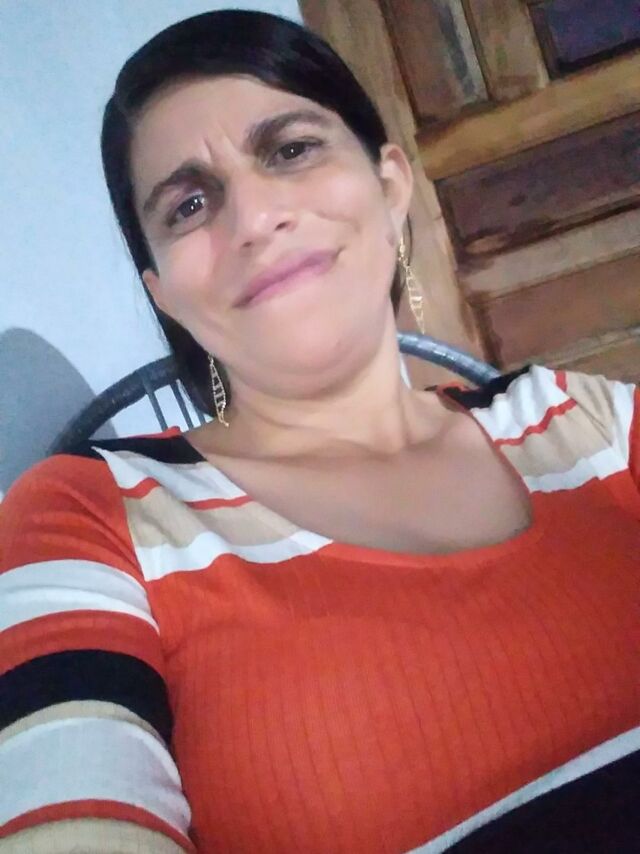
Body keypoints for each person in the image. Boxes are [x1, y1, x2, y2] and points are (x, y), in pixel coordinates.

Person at [0, 9, 638, 853]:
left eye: (291, 149)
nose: (254, 217)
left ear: (390, 185)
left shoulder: (586, 419)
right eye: (189, 204)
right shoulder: (85, 517)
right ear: (165, 293)